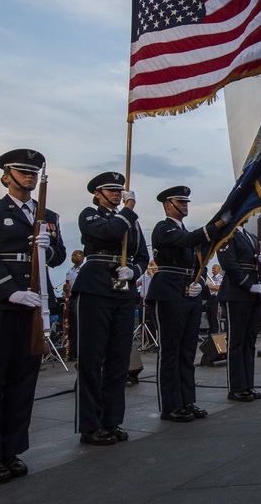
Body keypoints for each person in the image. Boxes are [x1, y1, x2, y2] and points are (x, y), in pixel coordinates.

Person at [0, 149, 66, 484]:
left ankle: (11, 449)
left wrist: (47, 246)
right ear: (6, 175)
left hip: (33, 301)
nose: (29, 177)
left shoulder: (48, 214)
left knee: (23, 382)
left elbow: (58, 254)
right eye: (22, 171)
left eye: (34, 172)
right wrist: (9, 290)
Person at [72, 171, 149, 446]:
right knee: (92, 359)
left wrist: (135, 270)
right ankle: (89, 425)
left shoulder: (132, 221)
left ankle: (111, 420)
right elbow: (107, 231)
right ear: (97, 194)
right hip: (95, 286)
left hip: (123, 289)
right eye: (110, 190)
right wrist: (128, 210)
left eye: (120, 191)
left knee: (119, 359)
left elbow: (143, 255)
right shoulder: (90, 215)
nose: (117, 195)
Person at [148, 185, 228, 422]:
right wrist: (217, 226)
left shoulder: (184, 231)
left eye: (186, 202)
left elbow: (198, 262)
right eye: (180, 202)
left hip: (189, 294)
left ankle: (187, 400)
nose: (185, 206)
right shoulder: (163, 229)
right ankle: (170, 405)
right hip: (169, 292)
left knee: (187, 352)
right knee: (170, 352)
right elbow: (189, 240)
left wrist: (200, 282)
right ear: (167, 205)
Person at [217, 221, 261, 402]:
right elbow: (229, 264)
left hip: (253, 294)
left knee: (249, 342)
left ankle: (248, 385)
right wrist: (249, 284)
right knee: (236, 343)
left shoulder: (252, 237)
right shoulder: (227, 234)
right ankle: (236, 387)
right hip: (237, 293)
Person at [62, 250, 84, 360]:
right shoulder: (70, 271)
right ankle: (71, 352)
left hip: (79, 298)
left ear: (82, 257)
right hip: (69, 299)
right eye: (72, 255)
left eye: (76, 255)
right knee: (70, 328)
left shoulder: (84, 270)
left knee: (78, 326)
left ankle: (79, 352)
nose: (73, 257)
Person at [205, 264, 224, 333]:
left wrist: (209, 287)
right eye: (212, 268)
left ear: (218, 270)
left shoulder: (220, 278)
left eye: (214, 268)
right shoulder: (210, 278)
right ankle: (211, 333)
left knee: (214, 317)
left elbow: (218, 287)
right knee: (209, 316)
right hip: (209, 298)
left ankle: (215, 333)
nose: (212, 270)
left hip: (215, 298)